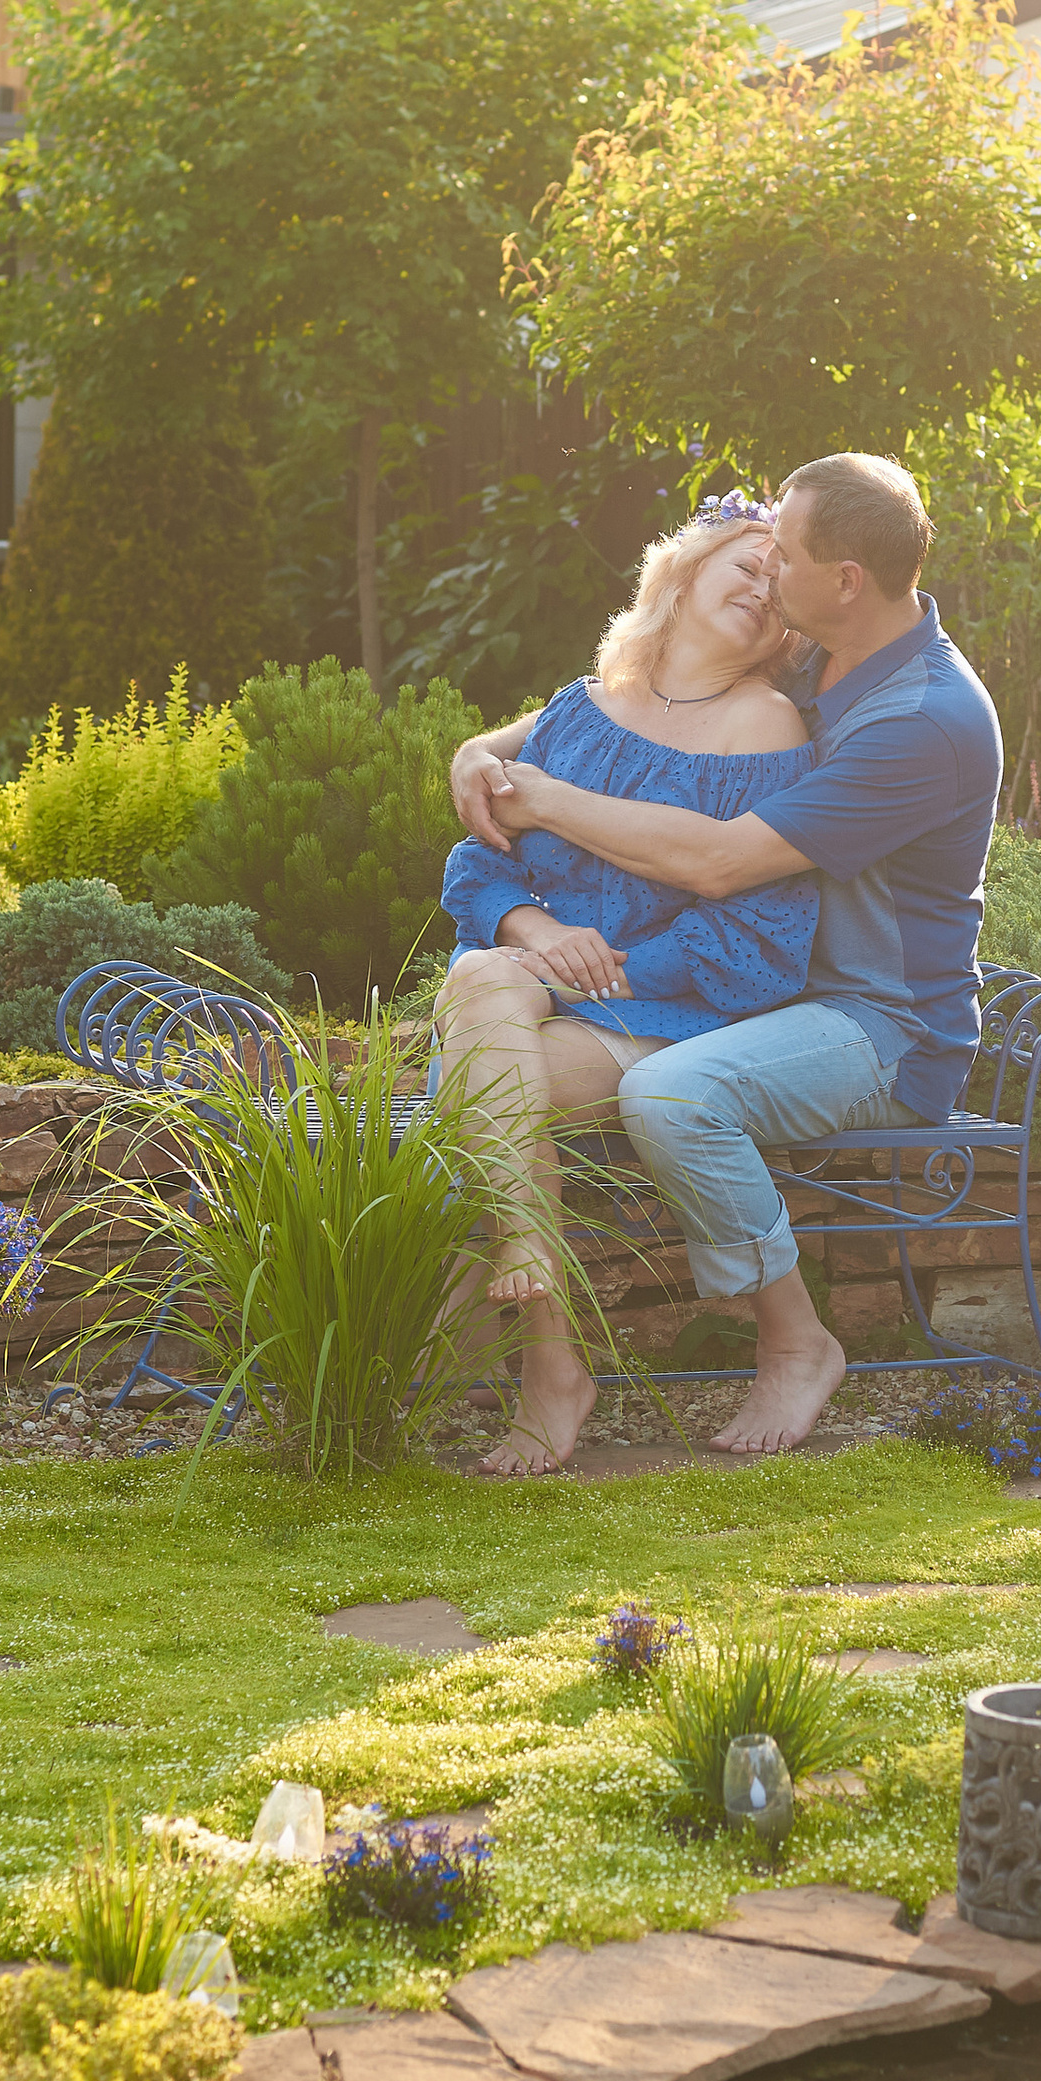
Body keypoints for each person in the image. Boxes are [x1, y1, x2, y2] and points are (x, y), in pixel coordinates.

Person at [450, 451, 1002, 1454]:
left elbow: (715, 865)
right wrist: (480, 753)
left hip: (878, 1022)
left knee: (671, 1095)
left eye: (780, 556)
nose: (765, 575)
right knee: (485, 1007)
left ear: (841, 580)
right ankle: (545, 1359)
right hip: (774, 1002)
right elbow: (599, 713)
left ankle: (796, 1345)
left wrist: (533, 796)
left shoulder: (923, 721)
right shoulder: (822, 649)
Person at [434, 502, 822, 1477]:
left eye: (781, 584)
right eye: (747, 561)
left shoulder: (764, 726)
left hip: (660, 1013)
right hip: (536, 985)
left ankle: (538, 1363)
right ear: (684, 569)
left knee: (473, 1088)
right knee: (483, 972)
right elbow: (478, 864)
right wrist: (543, 934)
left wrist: (600, 966)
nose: (761, 585)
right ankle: (549, 1341)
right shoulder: (579, 707)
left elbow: (755, 930)